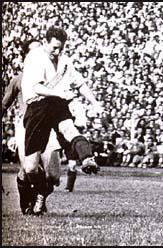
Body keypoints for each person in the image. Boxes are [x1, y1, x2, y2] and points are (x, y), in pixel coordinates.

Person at [21, 26, 104, 215]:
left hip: (57, 104)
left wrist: (95, 103)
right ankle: (41, 192)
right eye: (55, 48)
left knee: (69, 129)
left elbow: (80, 83)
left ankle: (87, 158)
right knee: (31, 168)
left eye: (61, 48)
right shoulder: (35, 57)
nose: (57, 52)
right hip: (38, 107)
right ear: (46, 42)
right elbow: (37, 87)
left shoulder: (65, 61)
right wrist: (59, 92)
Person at [2, 39, 62, 215]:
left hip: (49, 125)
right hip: (26, 126)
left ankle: (39, 196)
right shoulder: (18, 80)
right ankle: (28, 203)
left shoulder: (54, 78)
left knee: (54, 175)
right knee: (30, 169)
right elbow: (4, 105)